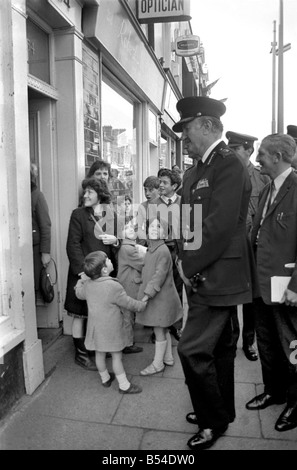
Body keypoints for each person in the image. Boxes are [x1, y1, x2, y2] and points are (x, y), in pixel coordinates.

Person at [173, 96, 254, 450]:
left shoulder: (229, 164)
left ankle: (212, 420)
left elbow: (219, 226)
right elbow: (185, 220)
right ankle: (218, 412)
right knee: (220, 349)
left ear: (206, 125)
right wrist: (180, 258)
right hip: (202, 272)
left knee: (192, 350)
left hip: (215, 275)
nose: (183, 139)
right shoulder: (197, 169)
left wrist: (187, 266)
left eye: (187, 129)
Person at [245, 133, 297, 433]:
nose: (258, 158)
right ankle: (273, 391)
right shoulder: (267, 189)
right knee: (266, 342)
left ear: (277, 157)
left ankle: (294, 402)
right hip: (261, 284)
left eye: (262, 153)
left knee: (291, 345)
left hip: (287, 285)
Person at [64, 176, 119, 371]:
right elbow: (72, 245)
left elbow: (116, 242)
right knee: (79, 314)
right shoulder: (78, 214)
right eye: (84, 191)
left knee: (97, 313)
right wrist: (82, 272)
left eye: (90, 192)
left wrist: (116, 240)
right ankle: (80, 355)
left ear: (100, 195)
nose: (85, 195)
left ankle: (95, 349)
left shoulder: (110, 214)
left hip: (103, 273)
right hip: (83, 273)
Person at [75, 251, 146, 394]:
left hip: (96, 329)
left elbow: (79, 293)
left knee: (99, 355)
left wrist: (81, 281)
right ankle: (124, 385)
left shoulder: (88, 285)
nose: (111, 261)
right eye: (108, 260)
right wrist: (142, 305)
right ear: (104, 270)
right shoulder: (114, 287)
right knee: (117, 357)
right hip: (112, 330)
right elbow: (128, 303)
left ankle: (105, 378)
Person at [226, 131, 270, 362]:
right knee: (232, 297)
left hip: (253, 247)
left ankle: (249, 341)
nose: (231, 153)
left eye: (235, 149)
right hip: (232, 246)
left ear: (248, 151)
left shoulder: (262, 177)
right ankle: (232, 340)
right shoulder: (226, 175)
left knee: (253, 298)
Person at [136, 217, 183, 375]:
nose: (154, 229)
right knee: (164, 328)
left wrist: (147, 295)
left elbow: (159, 276)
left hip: (160, 299)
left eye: (159, 226)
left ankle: (157, 364)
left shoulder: (161, 250)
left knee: (159, 330)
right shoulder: (152, 248)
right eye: (151, 226)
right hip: (161, 298)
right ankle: (168, 357)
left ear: (165, 233)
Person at [150, 168, 183, 341]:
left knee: (177, 289)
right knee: (158, 287)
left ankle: (176, 326)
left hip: (177, 251)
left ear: (174, 186)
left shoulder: (183, 202)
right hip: (159, 250)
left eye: (164, 182)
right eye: (160, 181)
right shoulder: (153, 204)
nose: (160, 185)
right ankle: (157, 328)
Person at [117, 219, 145, 354]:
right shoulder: (128, 248)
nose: (131, 230)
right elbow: (142, 264)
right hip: (129, 285)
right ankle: (127, 344)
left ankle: (127, 341)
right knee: (127, 316)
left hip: (127, 284)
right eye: (126, 228)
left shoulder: (129, 246)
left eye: (133, 228)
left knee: (128, 315)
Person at [30, 163, 51, 298]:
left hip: (34, 250)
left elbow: (45, 225)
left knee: (34, 288)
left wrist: (45, 252)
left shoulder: (37, 195)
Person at [136, 175, 160, 246]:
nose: (147, 193)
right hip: (147, 243)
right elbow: (138, 227)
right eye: (145, 190)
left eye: (151, 190)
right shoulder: (142, 206)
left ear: (158, 190)